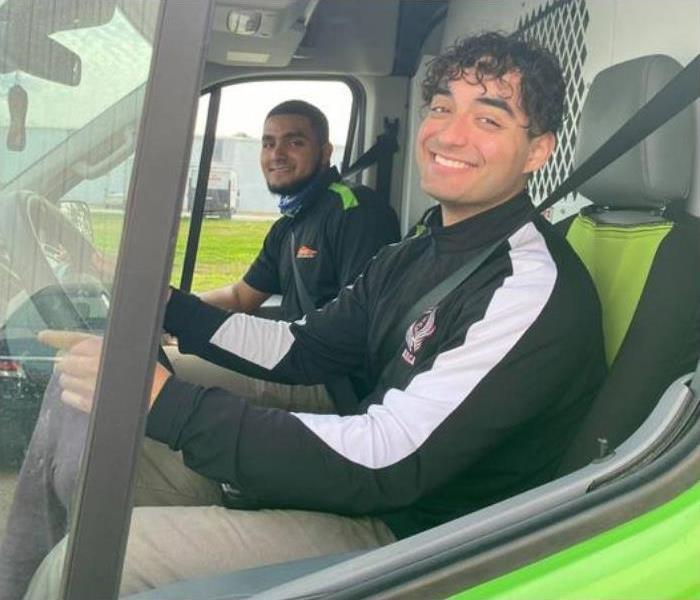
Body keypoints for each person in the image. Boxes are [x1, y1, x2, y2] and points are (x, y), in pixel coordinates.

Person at [5, 32, 606, 598]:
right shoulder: (422, 247)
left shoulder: (526, 286)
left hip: (415, 535)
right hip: (358, 481)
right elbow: (302, 347)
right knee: (83, 398)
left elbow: (390, 458)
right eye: (443, 108)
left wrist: (170, 404)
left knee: (92, 555)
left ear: (538, 151)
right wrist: (168, 308)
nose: (449, 135)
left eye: (488, 120)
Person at [198, 99, 400, 320]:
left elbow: (361, 317)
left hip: (324, 353)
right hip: (293, 347)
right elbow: (240, 297)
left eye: (294, 142)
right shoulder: (288, 225)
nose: (277, 154)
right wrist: (171, 305)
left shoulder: (356, 210)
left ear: (325, 153)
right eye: (268, 144)